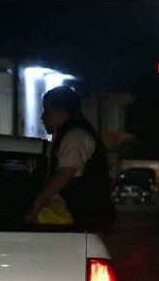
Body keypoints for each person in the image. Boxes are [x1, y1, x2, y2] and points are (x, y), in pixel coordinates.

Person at [24, 85, 112, 231]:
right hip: (75, 221)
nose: (42, 117)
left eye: (47, 111)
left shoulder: (75, 136)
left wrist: (36, 205)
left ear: (63, 111)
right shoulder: (68, 134)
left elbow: (64, 174)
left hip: (78, 221)